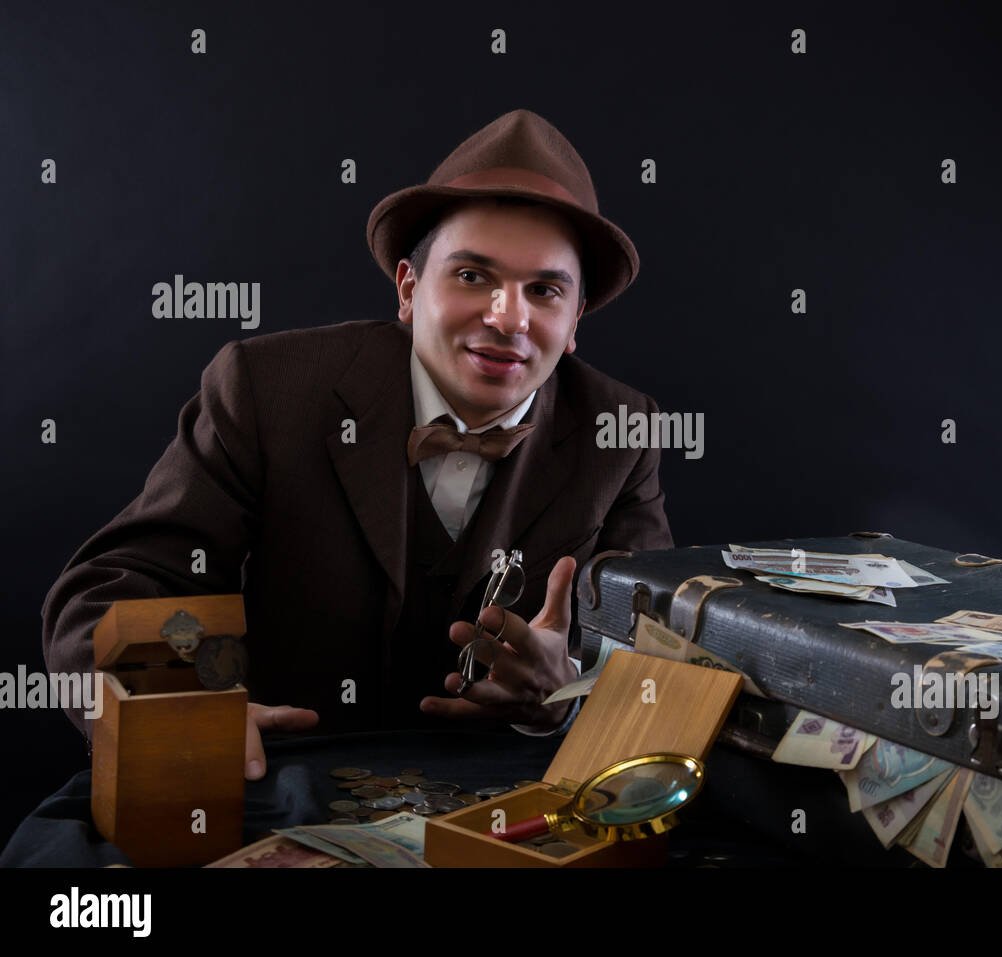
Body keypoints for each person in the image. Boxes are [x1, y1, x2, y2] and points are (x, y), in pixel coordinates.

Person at [41, 109, 674, 780]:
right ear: (408, 288)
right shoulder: (265, 388)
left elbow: (662, 659)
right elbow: (106, 593)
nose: (507, 317)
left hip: (505, 805)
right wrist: (181, 710)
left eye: (543, 290)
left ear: (573, 321)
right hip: (278, 786)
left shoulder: (622, 429)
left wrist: (566, 692)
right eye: (471, 276)